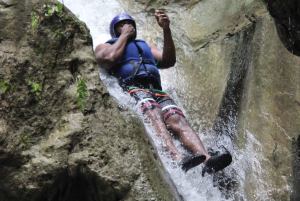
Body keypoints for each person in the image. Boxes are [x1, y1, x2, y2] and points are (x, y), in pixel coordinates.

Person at [95, 10, 232, 175]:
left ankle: (207, 159)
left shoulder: (145, 46)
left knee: (177, 118)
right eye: (122, 25)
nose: (128, 26)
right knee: (153, 110)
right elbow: (108, 59)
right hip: (133, 87)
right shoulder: (106, 46)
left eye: (130, 24)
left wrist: (166, 29)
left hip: (156, 89)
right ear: (115, 30)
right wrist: (124, 35)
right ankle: (176, 157)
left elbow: (169, 60)